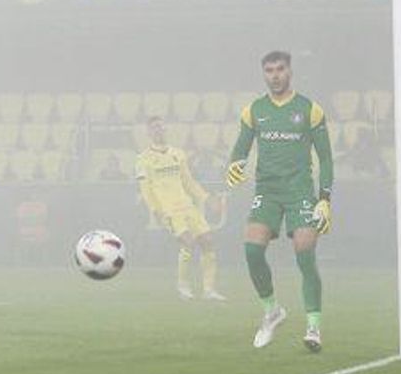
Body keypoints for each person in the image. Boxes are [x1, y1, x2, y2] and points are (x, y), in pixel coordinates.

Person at [227, 50, 334, 352]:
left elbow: (326, 158)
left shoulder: (310, 109)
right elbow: (240, 149)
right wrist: (234, 164)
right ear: (264, 74)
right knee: (252, 250)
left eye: (280, 69)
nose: (275, 75)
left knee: (304, 254)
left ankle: (313, 327)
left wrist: (324, 199)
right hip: (268, 192)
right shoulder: (254, 111)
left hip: (300, 192)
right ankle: (272, 310)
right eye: (269, 70)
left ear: (290, 71)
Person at [136, 116, 223, 301]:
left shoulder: (178, 154)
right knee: (188, 242)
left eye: (161, 126)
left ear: (165, 129)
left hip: (187, 205)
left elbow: (189, 182)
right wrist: (155, 210)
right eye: (154, 127)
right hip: (168, 210)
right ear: (148, 132)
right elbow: (146, 190)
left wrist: (207, 198)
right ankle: (183, 286)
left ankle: (209, 290)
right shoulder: (143, 159)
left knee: (208, 241)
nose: (158, 130)